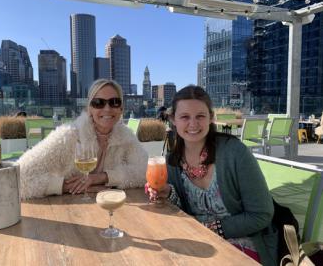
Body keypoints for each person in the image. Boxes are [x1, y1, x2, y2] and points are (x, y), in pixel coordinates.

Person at [146, 85, 278, 265]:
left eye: (200, 116)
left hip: (244, 245)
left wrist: (212, 228)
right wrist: (168, 193)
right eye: (185, 117)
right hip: (198, 243)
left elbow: (261, 214)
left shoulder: (235, 153)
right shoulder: (172, 161)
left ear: (211, 118)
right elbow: (183, 211)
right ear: (173, 120)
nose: (193, 124)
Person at [19, 79, 148, 199]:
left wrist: (102, 177)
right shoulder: (69, 136)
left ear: (121, 109)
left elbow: (146, 171)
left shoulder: (125, 136)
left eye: (114, 102)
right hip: (70, 210)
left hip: (110, 207)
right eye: (99, 103)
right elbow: (20, 176)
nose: (107, 109)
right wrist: (66, 186)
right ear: (89, 109)